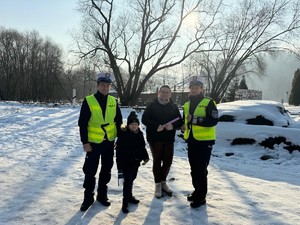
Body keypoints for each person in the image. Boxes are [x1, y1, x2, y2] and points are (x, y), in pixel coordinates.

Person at [78, 72, 122, 211]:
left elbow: (118, 121)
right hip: (93, 143)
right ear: (97, 86)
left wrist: (119, 138)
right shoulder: (89, 100)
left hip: (109, 142)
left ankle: (102, 195)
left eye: (107, 85)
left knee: (106, 169)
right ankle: (88, 197)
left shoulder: (113, 101)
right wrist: (84, 142)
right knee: (90, 170)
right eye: (102, 85)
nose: (105, 87)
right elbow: (82, 123)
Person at [182, 75, 218, 208]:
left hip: (205, 142)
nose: (194, 90)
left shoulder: (209, 102)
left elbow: (213, 120)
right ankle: (197, 191)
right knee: (193, 169)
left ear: (202, 89)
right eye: (192, 87)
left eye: (197, 87)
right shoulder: (187, 104)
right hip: (192, 141)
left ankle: (201, 197)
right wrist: (183, 126)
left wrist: (195, 120)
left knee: (201, 170)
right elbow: (186, 120)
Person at [142, 85, 183, 198]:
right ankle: (158, 184)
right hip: (155, 138)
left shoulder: (174, 107)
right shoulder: (152, 105)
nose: (165, 94)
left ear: (170, 94)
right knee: (157, 161)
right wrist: (156, 126)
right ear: (158, 93)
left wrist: (173, 125)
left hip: (169, 138)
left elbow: (179, 121)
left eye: (167, 92)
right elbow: (144, 119)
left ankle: (163, 182)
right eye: (163, 92)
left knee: (168, 162)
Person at [115, 111, 149, 213]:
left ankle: (129, 196)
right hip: (126, 163)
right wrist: (119, 164)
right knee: (127, 182)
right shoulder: (124, 135)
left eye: (136, 124)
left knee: (132, 179)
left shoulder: (140, 134)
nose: (134, 126)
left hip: (136, 162)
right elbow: (119, 150)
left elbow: (142, 147)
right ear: (128, 125)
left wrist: (145, 157)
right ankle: (125, 202)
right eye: (131, 124)